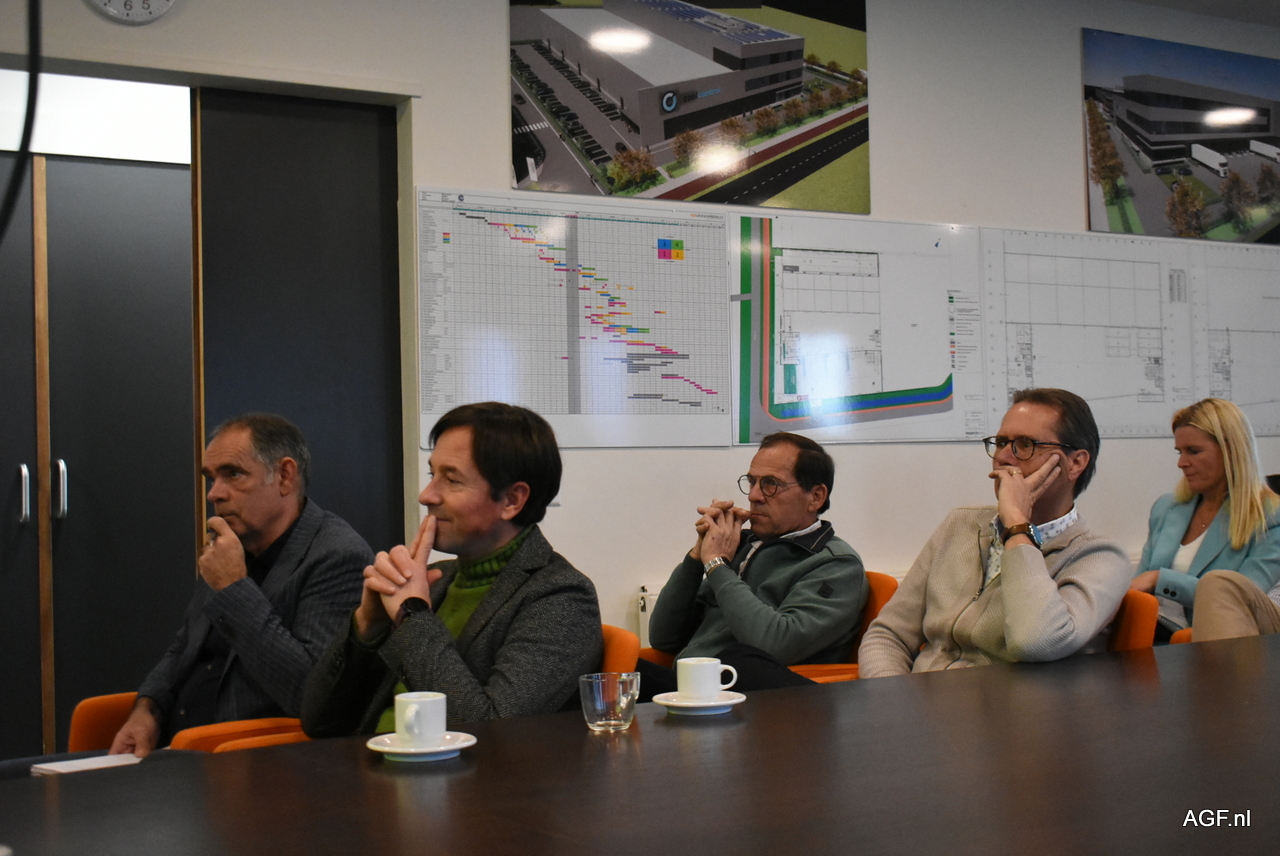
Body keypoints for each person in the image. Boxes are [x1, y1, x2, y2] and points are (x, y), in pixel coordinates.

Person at [302, 402, 601, 735]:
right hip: (367, 760)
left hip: (454, 770)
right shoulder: (438, 579)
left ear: (512, 501)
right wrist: (366, 626)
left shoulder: (561, 597)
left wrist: (411, 615)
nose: (426, 495)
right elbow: (318, 723)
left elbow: (492, 734)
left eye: (452, 480)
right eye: (433, 475)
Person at [110, 414, 372, 757]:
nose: (214, 494)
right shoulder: (232, 545)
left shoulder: (337, 556)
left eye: (233, 474)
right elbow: (184, 648)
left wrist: (234, 589)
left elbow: (313, 695)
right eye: (211, 478)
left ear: (285, 476)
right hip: (174, 752)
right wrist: (147, 710)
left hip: (250, 762)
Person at [859, 388, 1130, 677]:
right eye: (1001, 442)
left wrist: (1017, 527)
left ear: (1075, 463)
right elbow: (888, 636)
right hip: (919, 698)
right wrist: (892, 696)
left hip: (1010, 705)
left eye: (1025, 444)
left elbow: (1035, 642)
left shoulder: (1099, 557)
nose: (1003, 457)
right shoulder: (961, 525)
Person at [641, 432, 867, 698]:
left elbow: (775, 644)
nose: (754, 495)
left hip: (773, 702)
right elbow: (663, 637)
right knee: (612, 672)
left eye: (771, 484)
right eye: (752, 482)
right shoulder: (744, 545)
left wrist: (717, 565)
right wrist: (697, 556)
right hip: (698, 687)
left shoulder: (836, 563)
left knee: (741, 660)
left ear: (815, 497)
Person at [1129, 398, 1280, 640]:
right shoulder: (1166, 508)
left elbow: (1237, 599)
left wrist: (1160, 579)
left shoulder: (1270, 516)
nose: (1181, 463)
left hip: (1216, 641)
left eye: (1194, 451)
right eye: (1179, 452)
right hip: (1152, 632)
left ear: (1231, 451)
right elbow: (1138, 590)